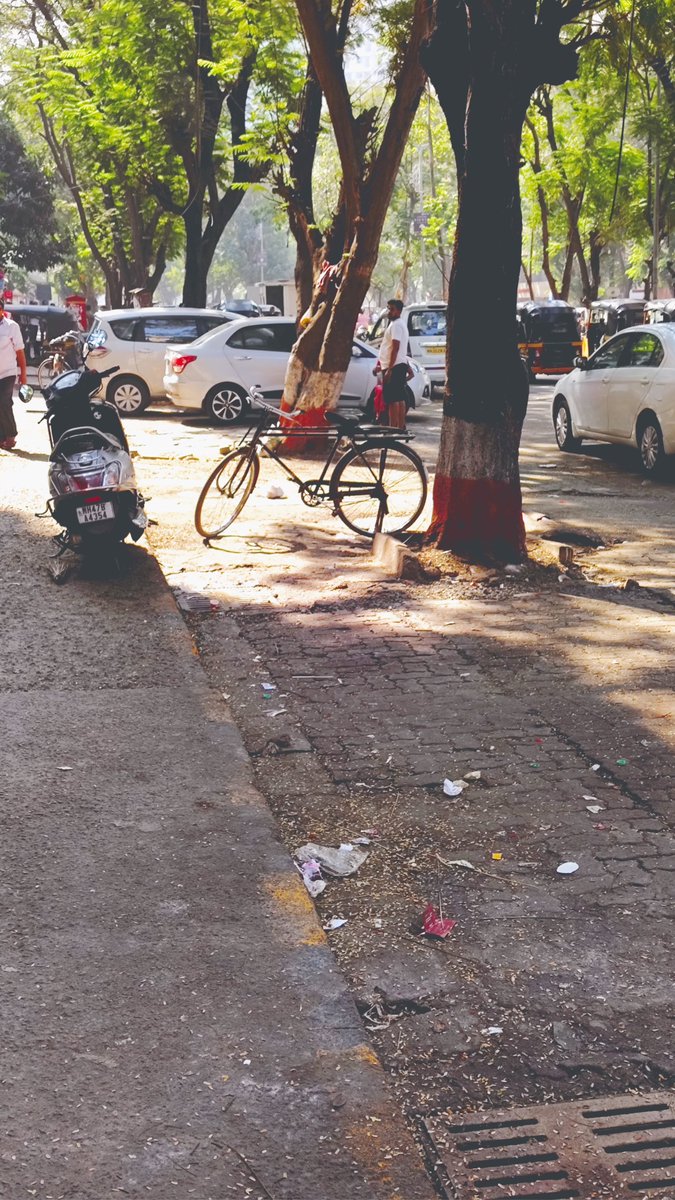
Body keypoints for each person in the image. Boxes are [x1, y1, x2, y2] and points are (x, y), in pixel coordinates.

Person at [0, 295, 28, 451]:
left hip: (8, 372)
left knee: (4, 402)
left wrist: (23, 374)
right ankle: (1, 437)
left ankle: (10, 435)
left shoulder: (12, 327)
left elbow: (20, 352)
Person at [378, 298, 409, 429]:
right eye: (388, 309)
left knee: (392, 400)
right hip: (398, 365)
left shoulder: (396, 325)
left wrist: (389, 369)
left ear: (399, 311)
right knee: (399, 398)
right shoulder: (398, 324)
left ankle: (393, 428)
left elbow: (395, 347)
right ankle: (400, 427)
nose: (389, 312)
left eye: (392, 309)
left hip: (394, 366)